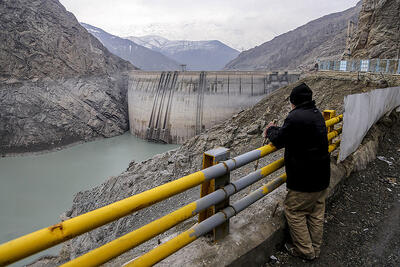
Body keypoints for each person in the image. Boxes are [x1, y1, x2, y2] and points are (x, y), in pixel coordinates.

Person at [264, 82, 330, 260]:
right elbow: (292, 133)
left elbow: (279, 139)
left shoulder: (295, 117)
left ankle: (305, 251)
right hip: (322, 176)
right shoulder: (316, 114)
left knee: (294, 210)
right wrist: (275, 129)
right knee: (316, 212)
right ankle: (315, 248)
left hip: (304, 180)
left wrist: (269, 130)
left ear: (294, 101)